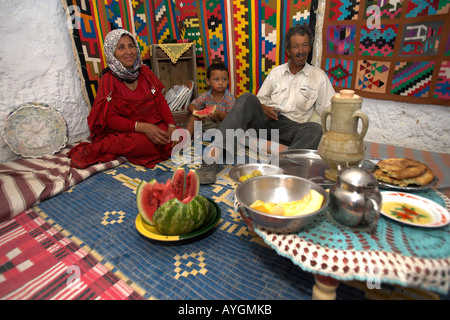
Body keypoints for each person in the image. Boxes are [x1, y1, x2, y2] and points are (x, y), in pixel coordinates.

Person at [198, 24, 336, 184]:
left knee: (315, 129)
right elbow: (259, 100)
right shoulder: (276, 73)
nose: (301, 51)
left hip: (292, 128)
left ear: (310, 47)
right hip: (267, 122)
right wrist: (263, 108)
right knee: (247, 98)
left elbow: (330, 111)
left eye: (305, 45)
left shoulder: (318, 77)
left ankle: (276, 172)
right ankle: (209, 164)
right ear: (288, 50)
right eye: (296, 46)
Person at [68, 29, 179, 169]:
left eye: (131, 46)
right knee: (142, 143)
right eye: (121, 47)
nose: (129, 52)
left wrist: (171, 125)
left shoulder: (145, 72)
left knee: (176, 137)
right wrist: (142, 127)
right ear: (111, 53)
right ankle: (106, 147)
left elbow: (160, 100)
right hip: (128, 131)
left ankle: (151, 144)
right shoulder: (108, 79)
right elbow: (109, 119)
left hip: (154, 125)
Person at [185, 62, 235, 139]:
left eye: (224, 79)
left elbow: (232, 120)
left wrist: (219, 115)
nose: (221, 83)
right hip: (208, 124)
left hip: (223, 126)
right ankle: (185, 140)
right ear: (208, 81)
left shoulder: (229, 98)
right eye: (216, 79)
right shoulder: (206, 95)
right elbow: (190, 106)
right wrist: (198, 113)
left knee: (232, 130)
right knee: (193, 117)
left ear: (228, 81)